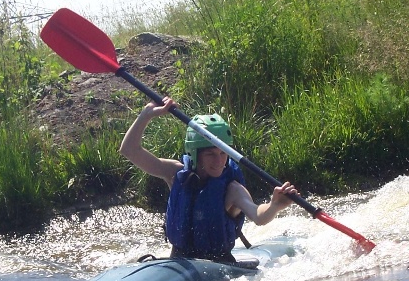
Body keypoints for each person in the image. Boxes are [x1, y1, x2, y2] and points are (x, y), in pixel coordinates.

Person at [119, 97, 298, 262]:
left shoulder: (232, 189)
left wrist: (275, 205)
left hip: (219, 265)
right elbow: (129, 150)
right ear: (195, 154)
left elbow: (259, 216)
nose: (219, 161)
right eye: (211, 154)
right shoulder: (175, 173)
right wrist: (145, 115)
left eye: (223, 153)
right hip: (178, 260)